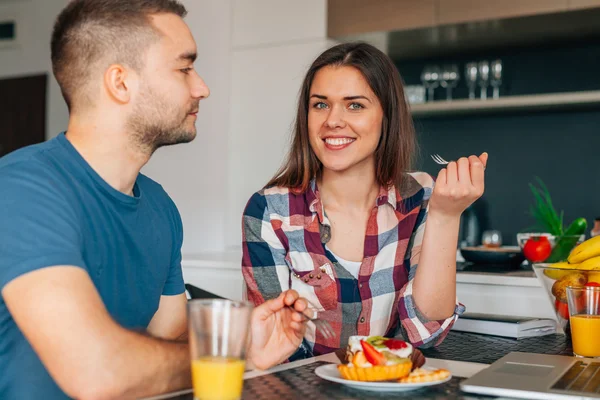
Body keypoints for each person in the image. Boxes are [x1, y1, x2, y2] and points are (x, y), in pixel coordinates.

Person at [0, 1, 309, 399]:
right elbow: (99, 373)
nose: (202, 87)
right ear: (121, 83)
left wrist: (244, 348)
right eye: (184, 68)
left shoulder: (161, 208)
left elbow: (168, 341)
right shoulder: (22, 188)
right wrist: (227, 357)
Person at [241, 42, 488, 360]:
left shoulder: (421, 197)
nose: (332, 120)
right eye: (320, 105)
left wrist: (445, 216)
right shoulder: (269, 212)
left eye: (354, 105)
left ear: (387, 116)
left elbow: (426, 331)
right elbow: (271, 349)